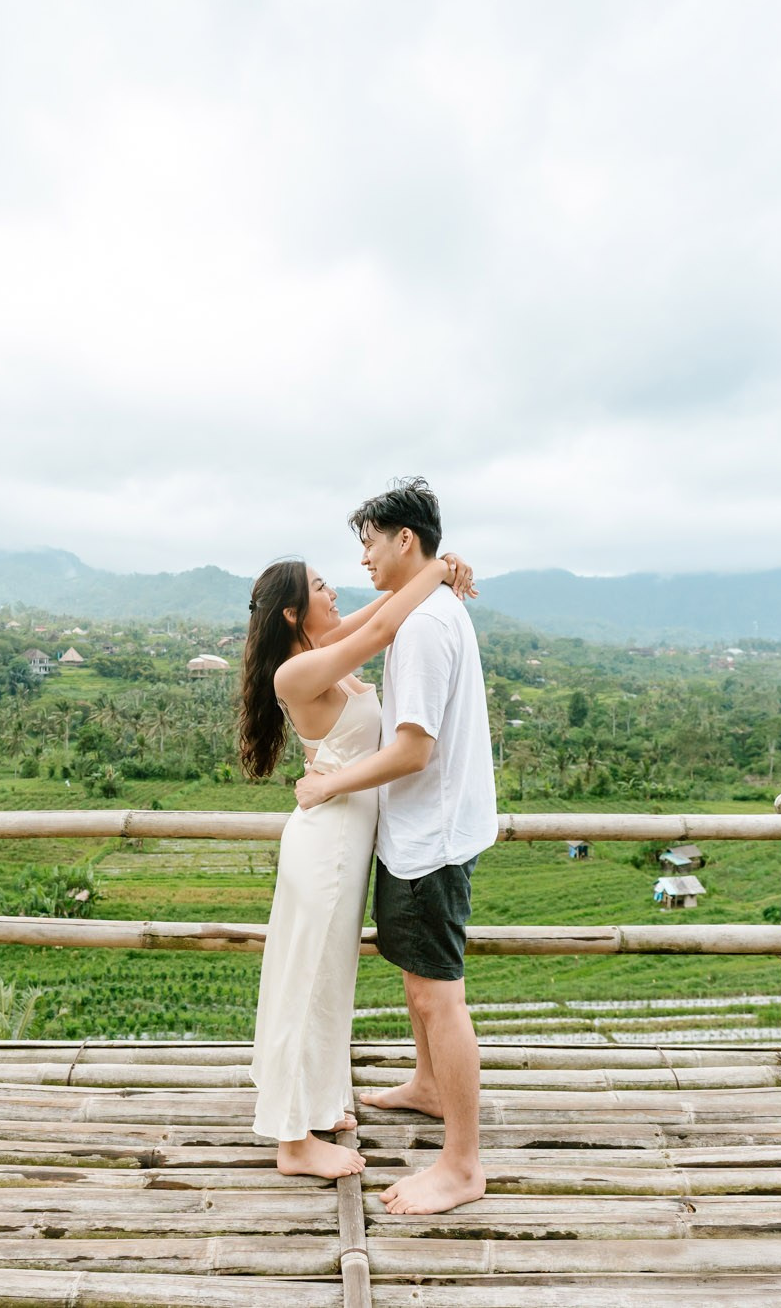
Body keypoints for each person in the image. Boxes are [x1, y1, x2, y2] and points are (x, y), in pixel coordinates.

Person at [237, 545, 476, 1178]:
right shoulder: (295, 673)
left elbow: (378, 611)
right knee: (307, 981)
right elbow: (381, 627)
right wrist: (437, 571)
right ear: (293, 613)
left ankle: (314, 1102)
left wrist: (439, 568)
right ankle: (293, 1143)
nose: (334, 592)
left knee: (327, 981)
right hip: (326, 847)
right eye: (321, 587)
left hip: (345, 843)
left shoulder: (322, 649)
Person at [296, 477, 496, 1215]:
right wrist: (443, 569)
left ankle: (463, 1163)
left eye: (370, 544)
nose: (364, 562)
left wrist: (331, 782)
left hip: (430, 839)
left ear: (403, 539)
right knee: (419, 982)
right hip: (429, 830)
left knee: (436, 995)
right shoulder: (434, 606)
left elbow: (413, 749)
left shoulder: (420, 628)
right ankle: (429, 1085)